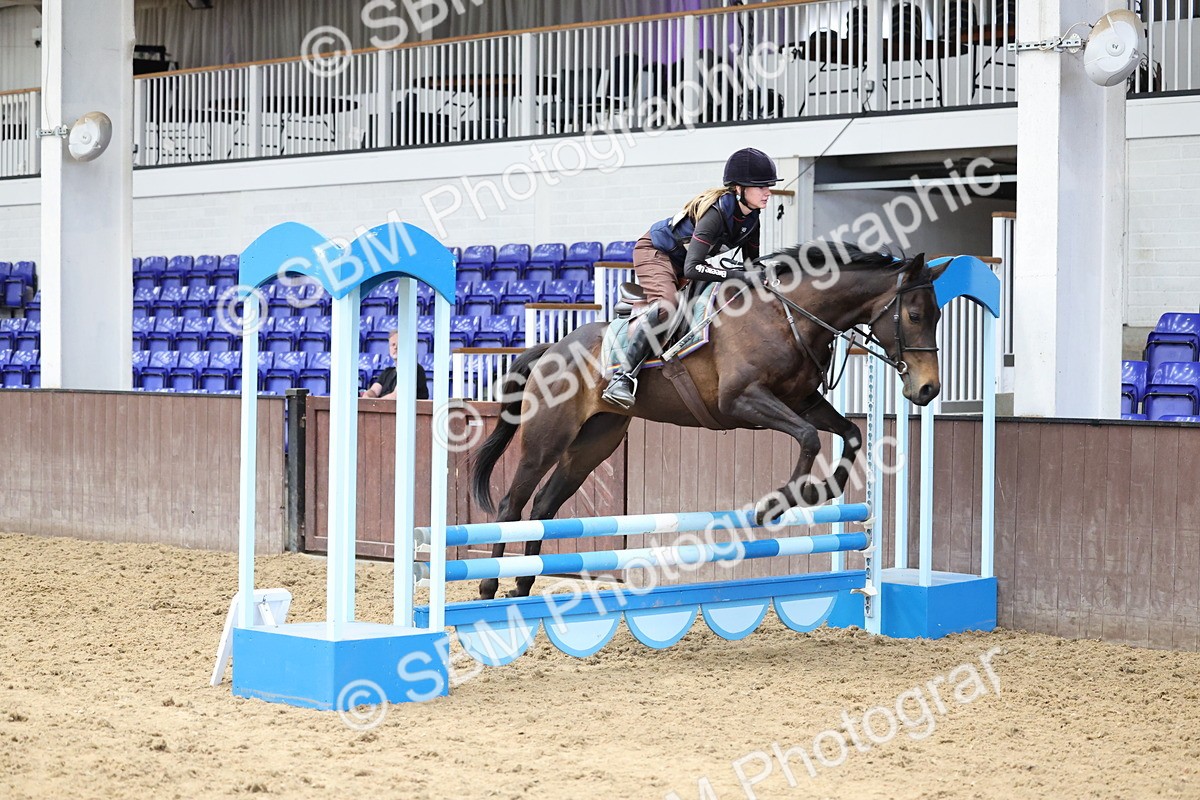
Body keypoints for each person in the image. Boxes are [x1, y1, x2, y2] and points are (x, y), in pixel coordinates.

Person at [601, 147, 780, 409]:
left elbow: (751, 268)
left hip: (685, 262)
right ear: (739, 188)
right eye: (761, 187)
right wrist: (738, 275)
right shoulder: (715, 214)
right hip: (656, 252)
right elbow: (692, 269)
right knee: (668, 306)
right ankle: (622, 378)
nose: (768, 192)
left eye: (769, 186)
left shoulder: (752, 218)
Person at [361, 329, 430, 400]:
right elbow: (374, 391)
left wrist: (375, 404)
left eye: (399, 344)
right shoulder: (387, 372)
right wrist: (367, 396)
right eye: (393, 345)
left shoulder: (414, 369)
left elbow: (396, 396)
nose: (395, 347)